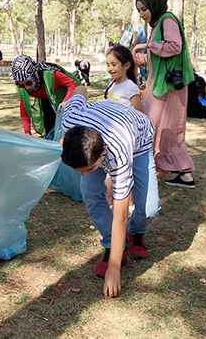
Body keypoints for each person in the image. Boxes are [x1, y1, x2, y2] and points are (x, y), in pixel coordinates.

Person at [61, 85, 159, 298]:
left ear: (102, 155)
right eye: (80, 171)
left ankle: (136, 233)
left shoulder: (118, 152)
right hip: (101, 124)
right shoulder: (69, 120)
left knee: (149, 206)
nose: (84, 174)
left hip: (137, 138)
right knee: (89, 192)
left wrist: (114, 270)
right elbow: (80, 88)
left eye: (89, 169)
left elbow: (121, 214)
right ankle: (114, 244)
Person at [132, 0, 195, 189]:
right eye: (140, 11)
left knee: (165, 128)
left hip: (169, 88)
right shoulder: (159, 23)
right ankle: (179, 173)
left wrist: (147, 47)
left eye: (144, 9)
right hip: (160, 84)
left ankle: (157, 170)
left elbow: (174, 46)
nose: (142, 14)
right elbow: (162, 55)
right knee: (159, 127)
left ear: (154, 4)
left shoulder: (167, 20)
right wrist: (145, 60)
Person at [12, 54, 79, 137]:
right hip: (47, 101)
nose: (26, 87)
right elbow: (24, 111)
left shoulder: (52, 75)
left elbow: (72, 84)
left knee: (68, 129)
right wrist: (27, 132)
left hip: (64, 97)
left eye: (28, 83)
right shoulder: (23, 88)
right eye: (21, 85)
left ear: (34, 75)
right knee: (50, 128)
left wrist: (66, 101)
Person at [104, 44, 144, 112]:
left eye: (113, 65)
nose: (109, 69)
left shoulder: (130, 87)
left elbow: (140, 114)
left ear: (126, 65)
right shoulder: (112, 84)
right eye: (108, 65)